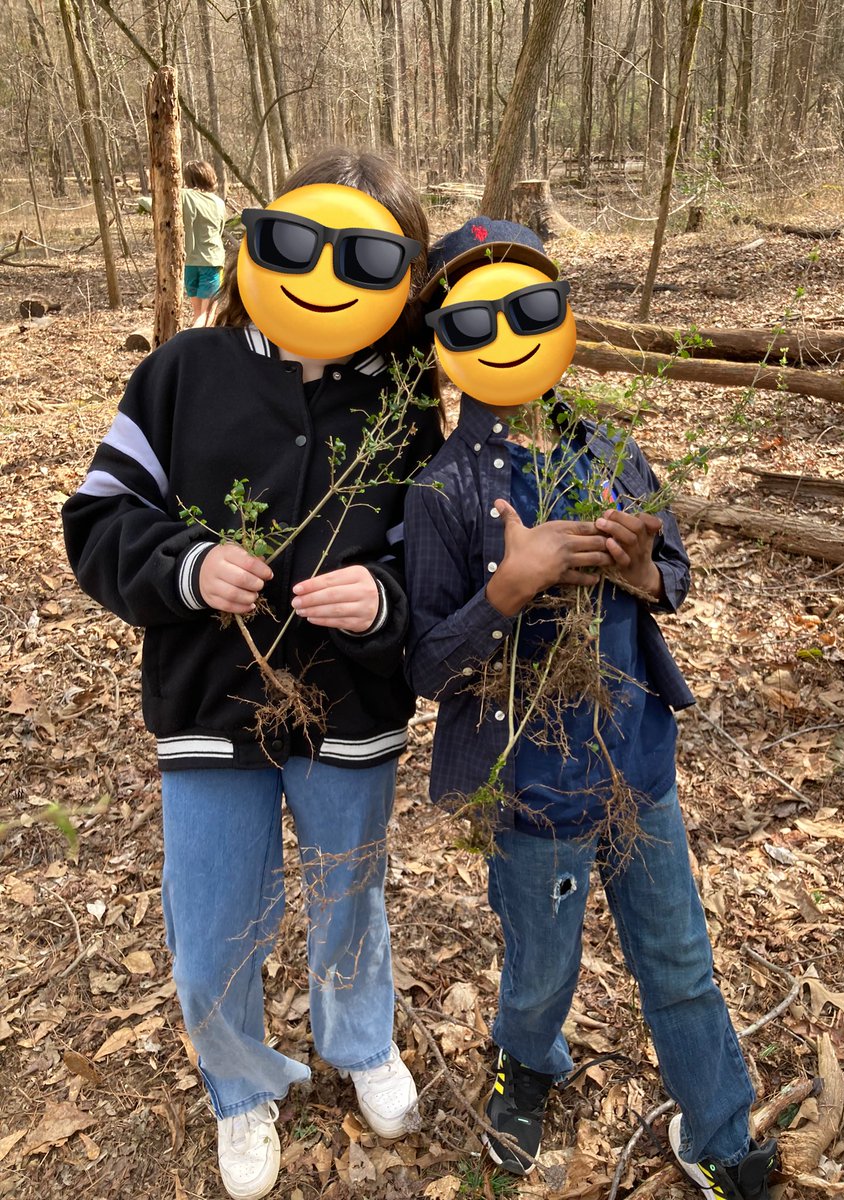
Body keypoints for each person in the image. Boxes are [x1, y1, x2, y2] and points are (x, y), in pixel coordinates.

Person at [62, 149, 442, 1200]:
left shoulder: (403, 398)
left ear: (401, 278)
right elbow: (97, 519)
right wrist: (183, 565)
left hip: (352, 708)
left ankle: (359, 1040)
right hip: (208, 703)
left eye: (369, 256)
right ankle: (241, 1086)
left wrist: (387, 600)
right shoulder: (185, 370)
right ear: (263, 242)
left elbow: (432, 556)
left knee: (348, 891)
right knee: (215, 913)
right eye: (305, 245)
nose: (330, 277)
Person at [403, 217, 777, 1200]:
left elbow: (678, 579)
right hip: (528, 795)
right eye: (473, 320)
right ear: (442, 344)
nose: (507, 338)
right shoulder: (441, 493)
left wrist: (649, 567)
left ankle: (721, 1128)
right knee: (539, 973)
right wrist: (507, 589)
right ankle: (526, 1065)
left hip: (637, 770)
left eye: (530, 309)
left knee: (680, 961)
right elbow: (428, 669)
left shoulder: (610, 447)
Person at [181, 159, 226, 326]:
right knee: (208, 315)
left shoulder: (182, 196)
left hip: (190, 262)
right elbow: (220, 230)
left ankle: (193, 343)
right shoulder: (218, 203)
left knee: (198, 313)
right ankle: (191, 346)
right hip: (212, 261)